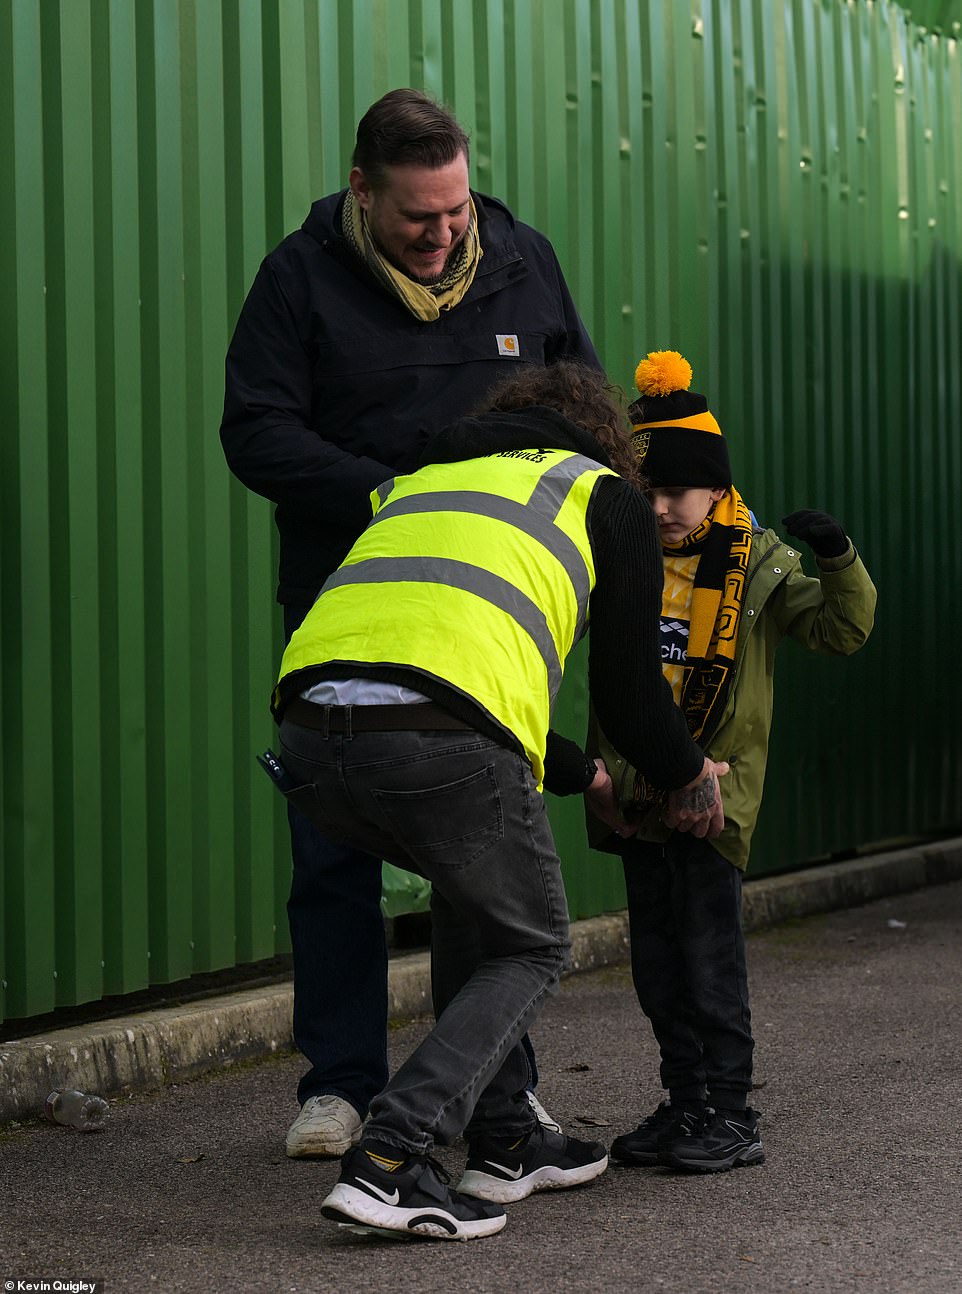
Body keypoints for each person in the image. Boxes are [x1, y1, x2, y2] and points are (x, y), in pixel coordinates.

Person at [220, 88, 603, 1157]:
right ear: (358, 189)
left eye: (455, 211)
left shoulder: (517, 254)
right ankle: (339, 1084)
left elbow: (579, 399)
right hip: (350, 601)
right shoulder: (298, 277)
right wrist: (388, 496)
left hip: (488, 619)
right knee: (332, 844)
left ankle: (496, 1093)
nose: (442, 237)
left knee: (485, 858)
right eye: (415, 218)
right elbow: (253, 432)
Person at [271, 361, 729, 1240]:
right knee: (532, 941)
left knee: (470, 898)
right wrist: (686, 773)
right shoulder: (602, 494)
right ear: (605, 439)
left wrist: (581, 775)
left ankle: (506, 1137)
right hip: (437, 737)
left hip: (307, 732)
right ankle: (393, 1157)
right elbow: (631, 698)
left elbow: (426, 654)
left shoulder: (415, 486)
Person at [588, 350, 877, 1173]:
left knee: (710, 961)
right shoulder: (624, 560)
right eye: (645, 491)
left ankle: (730, 1111)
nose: (660, 506)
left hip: (715, 802)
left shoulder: (759, 566)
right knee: (656, 965)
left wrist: (837, 560)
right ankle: (684, 1102)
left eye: (676, 489)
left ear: (716, 486)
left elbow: (841, 631)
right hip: (639, 800)